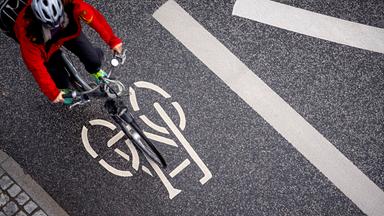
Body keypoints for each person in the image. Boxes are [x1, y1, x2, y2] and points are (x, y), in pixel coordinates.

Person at [13, 0, 123, 104]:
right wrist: (53, 93)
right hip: (47, 48)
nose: (55, 27)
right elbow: (35, 66)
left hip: (68, 34)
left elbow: (94, 18)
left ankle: (96, 71)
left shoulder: (72, 3)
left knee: (93, 59)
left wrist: (112, 40)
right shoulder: (26, 30)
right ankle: (63, 88)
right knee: (59, 77)